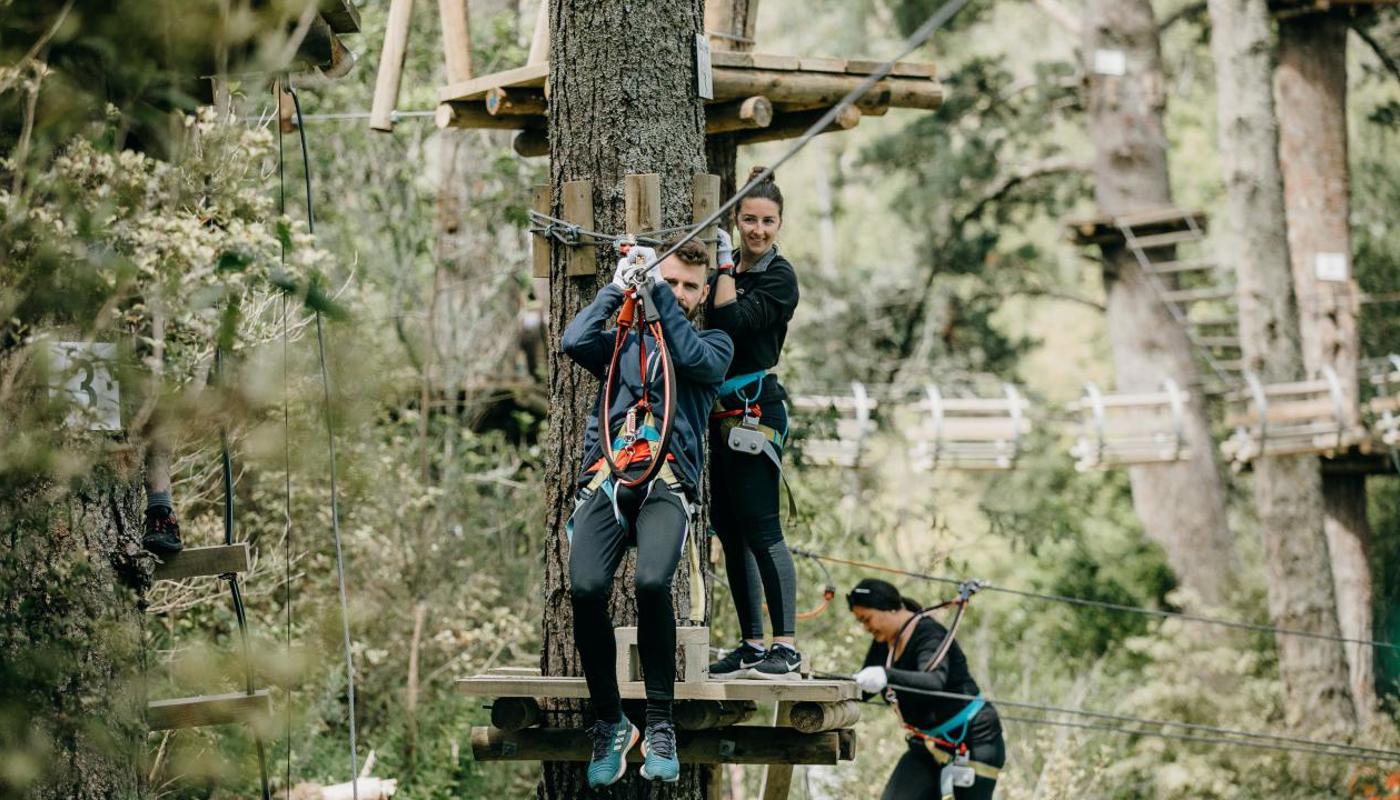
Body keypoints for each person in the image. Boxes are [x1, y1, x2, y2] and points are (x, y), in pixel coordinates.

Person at [561, 238, 734, 788]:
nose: (680, 293)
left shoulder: (715, 345)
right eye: (672, 281)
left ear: (702, 292)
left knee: (654, 582)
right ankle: (612, 723)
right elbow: (573, 340)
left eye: (688, 286)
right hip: (609, 478)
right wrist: (618, 287)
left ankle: (660, 721)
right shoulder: (621, 346)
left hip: (667, 483)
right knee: (586, 588)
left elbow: (688, 358)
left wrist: (655, 286)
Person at [705, 167, 804, 681]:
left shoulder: (778, 276)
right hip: (717, 414)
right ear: (736, 219)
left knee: (763, 527)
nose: (757, 230)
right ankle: (749, 644)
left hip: (755, 411)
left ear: (780, 223)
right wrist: (723, 267)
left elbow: (732, 323)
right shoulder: (730, 271)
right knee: (730, 528)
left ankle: (784, 646)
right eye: (748, 219)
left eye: (767, 221)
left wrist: (722, 265)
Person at [848, 578, 1005, 800]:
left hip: (974, 739)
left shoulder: (929, 634)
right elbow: (862, 689)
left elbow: (933, 682)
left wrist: (887, 675)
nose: (865, 628)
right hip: (927, 745)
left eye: (867, 619)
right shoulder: (884, 641)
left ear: (889, 608)